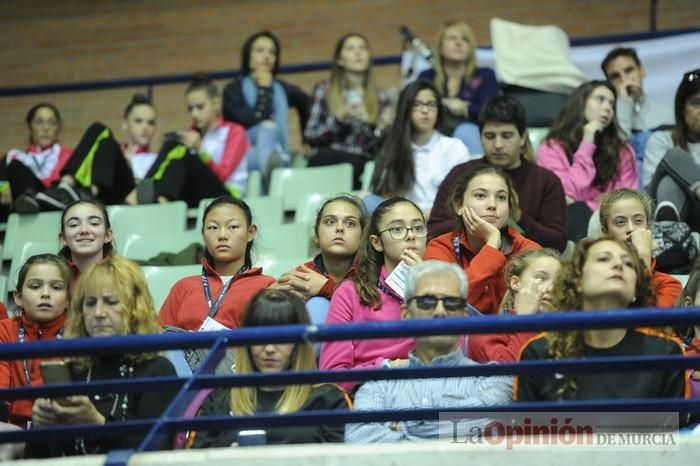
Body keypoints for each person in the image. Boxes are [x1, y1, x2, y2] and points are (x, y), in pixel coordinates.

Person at [345, 260, 512, 443]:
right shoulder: (378, 386)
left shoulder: (493, 379)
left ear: (465, 316)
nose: (440, 311)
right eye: (427, 302)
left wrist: (403, 426)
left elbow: (487, 422)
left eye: (451, 302)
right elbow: (360, 440)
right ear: (406, 315)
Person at [27, 256, 177, 457]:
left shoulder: (158, 370)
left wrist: (97, 423)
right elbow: (36, 459)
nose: (98, 313)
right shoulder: (71, 371)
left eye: (111, 302)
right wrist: (40, 428)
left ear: (135, 309)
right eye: (90, 303)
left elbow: (156, 453)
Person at [516, 238, 688, 401]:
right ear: (578, 281)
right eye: (603, 259)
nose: (618, 265)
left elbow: (671, 431)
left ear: (636, 291)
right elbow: (530, 429)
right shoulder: (538, 353)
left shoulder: (665, 352)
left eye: (628, 264)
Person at [192, 289, 350, 447]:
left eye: (281, 338)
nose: (269, 348)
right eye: (260, 337)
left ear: (300, 343)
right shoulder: (218, 401)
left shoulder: (329, 399)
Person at [428, 96, 567, 252]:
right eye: (490, 136)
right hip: (463, 261)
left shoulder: (546, 181)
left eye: (507, 136)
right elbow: (433, 231)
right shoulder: (461, 173)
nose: (498, 145)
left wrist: (518, 216)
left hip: (523, 266)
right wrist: (474, 220)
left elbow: (558, 243)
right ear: (480, 138)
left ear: (522, 138)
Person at [319, 197, 427, 393]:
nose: (411, 236)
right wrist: (386, 367)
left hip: (429, 394)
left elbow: (456, 354)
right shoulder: (350, 293)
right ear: (377, 243)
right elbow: (332, 376)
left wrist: (426, 291)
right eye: (397, 229)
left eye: (418, 228)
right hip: (372, 396)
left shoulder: (441, 288)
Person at [424, 166, 540, 315]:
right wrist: (492, 244)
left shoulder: (529, 251)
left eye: (501, 197)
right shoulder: (441, 247)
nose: (492, 205)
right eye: (480, 195)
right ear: (459, 206)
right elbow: (448, 306)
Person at [537, 80, 638, 241]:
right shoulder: (550, 148)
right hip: (570, 222)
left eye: (611, 104)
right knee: (577, 210)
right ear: (581, 103)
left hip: (613, 224)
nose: (607, 108)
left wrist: (587, 203)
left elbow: (624, 200)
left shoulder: (623, 151)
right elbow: (565, 195)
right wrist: (587, 142)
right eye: (600, 99)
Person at [159, 196, 276, 331]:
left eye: (233, 227)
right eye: (213, 227)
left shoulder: (267, 286)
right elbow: (159, 340)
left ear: (250, 233)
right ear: (203, 235)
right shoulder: (183, 287)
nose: (222, 235)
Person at [304, 33, 392, 189]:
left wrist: (382, 129)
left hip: (362, 161)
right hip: (329, 157)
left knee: (365, 164)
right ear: (339, 59)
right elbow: (311, 135)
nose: (358, 53)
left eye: (363, 48)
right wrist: (339, 119)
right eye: (351, 49)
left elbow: (376, 149)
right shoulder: (324, 90)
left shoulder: (381, 97)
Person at [369, 79, 470, 214]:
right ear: (405, 109)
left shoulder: (453, 147)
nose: (425, 110)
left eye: (431, 104)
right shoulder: (393, 148)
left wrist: (422, 217)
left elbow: (459, 198)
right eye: (417, 104)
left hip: (442, 220)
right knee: (369, 201)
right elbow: (387, 196)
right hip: (402, 222)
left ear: (438, 110)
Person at [223, 31, 310, 179]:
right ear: (248, 55)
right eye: (260, 51)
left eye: (272, 52)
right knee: (267, 128)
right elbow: (246, 120)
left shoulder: (282, 89)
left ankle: (272, 170)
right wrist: (264, 90)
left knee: (270, 142)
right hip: (241, 157)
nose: (266, 56)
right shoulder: (233, 89)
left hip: (269, 154)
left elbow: (307, 103)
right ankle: (275, 177)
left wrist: (306, 140)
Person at [0, 254, 71, 428]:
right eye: (35, 286)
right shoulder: (4, 330)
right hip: (14, 429)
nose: (45, 294)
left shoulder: (79, 332)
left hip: (63, 428)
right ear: (18, 297)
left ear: (68, 299)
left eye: (56, 287)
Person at [275, 194, 368, 325]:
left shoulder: (375, 271)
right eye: (330, 221)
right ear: (316, 236)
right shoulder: (302, 275)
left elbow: (374, 311)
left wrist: (327, 287)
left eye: (350, 223)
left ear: (362, 237)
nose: (340, 228)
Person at [417, 20, 499, 155]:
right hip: (434, 134)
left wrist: (465, 107)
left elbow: (491, 112)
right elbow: (416, 108)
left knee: (466, 130)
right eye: (452, 38)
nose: (459, 43)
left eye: (465, 39)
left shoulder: (485, 75)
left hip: (474, 135)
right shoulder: (426, 77)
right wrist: (444, 102)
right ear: (440, 46)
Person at [468, 248, 561, 363]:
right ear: (515, 282)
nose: (551, 288)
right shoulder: (484, 332)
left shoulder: (565, 335)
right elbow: (508, 376)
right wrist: (525, 319)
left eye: (558, 282)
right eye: (541, 278)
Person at [598, 188, 681, 307]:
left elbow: (646, 323)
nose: (631, 228)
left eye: (638, 220)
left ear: (648, 228)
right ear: (605, 232)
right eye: (620, 222)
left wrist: (642, 255)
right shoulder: (594, 277)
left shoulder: (668, 284)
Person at [176, 75, 251, 198]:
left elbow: (222, 176)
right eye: (190, 109)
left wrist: (200, 149)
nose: (194, 114)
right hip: (198, 192)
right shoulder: (191, 134)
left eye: (200, 107)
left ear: (216, 104)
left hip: (229, 194)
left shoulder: (234, 131)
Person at [645, 68, 700, 229]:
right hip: (667, 211)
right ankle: (670, 232)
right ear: (682, 108)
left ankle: (668, 234)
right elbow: (650, 193)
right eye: (696, 103)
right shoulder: (661, 140)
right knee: (669, 177)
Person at [2, 103, 73, 213]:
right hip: (24, 203)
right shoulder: (17, 157)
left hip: (57, 203)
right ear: (30, 127)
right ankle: (28, 200)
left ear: (58, 128)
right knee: (13, 164)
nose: (45, 128)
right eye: (39, 122)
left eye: (52, 123)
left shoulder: (69, 155)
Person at [601, 47, 674, 139]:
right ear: (609, 84)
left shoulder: (671, 113)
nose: (624, 79)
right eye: (615, 76)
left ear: (642, 71)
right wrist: (623, 103)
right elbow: (618, 150)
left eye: (629, 70)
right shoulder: (606, 122)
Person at [57, 200, 114, 283]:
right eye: (74, 225)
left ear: (107, 235)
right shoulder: (52, 276)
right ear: (63, 238)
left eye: (94, 223)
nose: (84, 230)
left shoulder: (125, 276)